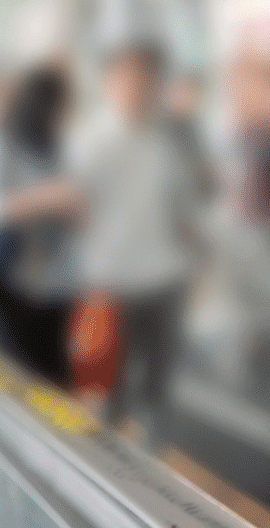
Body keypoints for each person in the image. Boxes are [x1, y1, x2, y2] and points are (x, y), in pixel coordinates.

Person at [71, 38, 203, 450]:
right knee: (109, 386)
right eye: (127, 78)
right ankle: (111, 472)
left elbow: (185, 207)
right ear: (111, 82)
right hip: (111, 282)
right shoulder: (90, 142)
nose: (137, 88)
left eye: (145, 80)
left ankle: (155, 470)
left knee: (159, 386)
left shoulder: (167, 143)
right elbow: (74, 208)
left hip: (164, 278)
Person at [0, 65, 81, 386]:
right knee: (11, 382)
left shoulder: (57, 149)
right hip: (10, 289)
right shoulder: (0, 145)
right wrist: (44, 199)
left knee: (53, 387)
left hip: (55, 290)